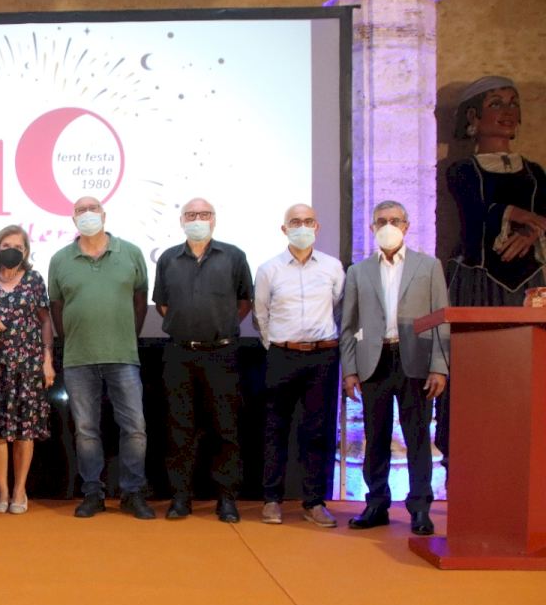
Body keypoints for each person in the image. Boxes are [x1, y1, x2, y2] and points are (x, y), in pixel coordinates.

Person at [439, 76, 546, 463]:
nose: (508, 111)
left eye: (513, 103)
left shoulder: (534, 173)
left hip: (529, 282)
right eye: (496, 104)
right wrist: (516, 214)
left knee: (526, 371)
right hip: (479, 280)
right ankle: (470, 456)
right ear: (473, 117)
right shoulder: (462, 170)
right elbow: (473, 212)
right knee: (477, 370)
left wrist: (532, 233)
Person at [341, 200, 449, 537]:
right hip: (374, 360)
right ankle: (376, 504)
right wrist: (349, 369)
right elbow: (348, 325)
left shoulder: (428, 266)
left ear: (406, 226)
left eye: (395, 220)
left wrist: (439, 367)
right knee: (375, 437)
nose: (388, 226)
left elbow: (441, 319)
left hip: (415, 358)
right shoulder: (358, 271)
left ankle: (420, 508)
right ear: (372, 227)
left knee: (417, 437)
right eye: (381, 221)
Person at [48, 197, 151, 519]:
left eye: (93, 209)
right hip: (79, 358)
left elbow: (140, 301)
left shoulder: (130, 252)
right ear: (73, 219)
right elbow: (56, 307)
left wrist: (128, 336)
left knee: (135, 427)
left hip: (123, 355)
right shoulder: (60, 259)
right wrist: (71, 340)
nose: (88, 214)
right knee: (86, 430)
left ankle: (133, 493)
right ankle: (93, 493)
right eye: (81, 210)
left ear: (104, 215)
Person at [153, 197, 253, 523]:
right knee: (179, 427)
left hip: (221, 352)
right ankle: (181, 497)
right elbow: (163, 305)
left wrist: (219, 325)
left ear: (214, 219)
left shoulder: (234, 256)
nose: (198, 219)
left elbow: (244, 302)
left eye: (204, 214)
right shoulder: (168, 258)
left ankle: (227, 498)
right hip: (180, 353)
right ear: (182, 221)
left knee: (225, 427)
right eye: (191, 215)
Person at [252, 204, 344, 527]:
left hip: (322, 356)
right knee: (275, 428)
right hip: (283, 355)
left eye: (307, 221)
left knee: (317, 431)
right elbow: (260, 314)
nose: (301, 227)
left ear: (316, 227)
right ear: (284, 229)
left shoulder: (333, 267)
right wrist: (276, 343)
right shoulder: (269, 269)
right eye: (295, 222)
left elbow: (338, 306)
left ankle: (314, 502)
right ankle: (272, 500)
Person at [0, 225, 55, 514]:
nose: (12, 251)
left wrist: (47, 360)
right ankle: (2, 490)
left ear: (26, 251)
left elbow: (45, 320)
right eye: (6, 246)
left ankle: (19, 489)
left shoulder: (33, 279)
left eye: (18, 247)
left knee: (24, 430)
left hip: (28, 365)